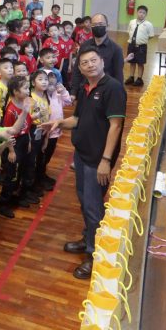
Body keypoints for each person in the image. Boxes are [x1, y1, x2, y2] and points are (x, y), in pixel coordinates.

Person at [52, 46, 127, 279]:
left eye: (93, 60)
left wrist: (106, 160)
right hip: (81, 155)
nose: (90, 65)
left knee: (94, 208)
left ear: (102, 62)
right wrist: (57, 124)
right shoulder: (85, 89)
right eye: (84, 63)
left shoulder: (113, 88)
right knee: (85, 202)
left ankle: (95, 255)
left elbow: (115, 126)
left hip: (98, 159)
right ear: (80, 69)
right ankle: (87, 240)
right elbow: (77, 119)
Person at [73, 12, 123, 88]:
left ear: (107, 26)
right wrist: (74, 91)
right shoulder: (84, 45)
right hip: (85, 88)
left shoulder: (116, 49)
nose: (98, 27)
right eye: (94, 25)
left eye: (100, 24)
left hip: (105, 90)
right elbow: (77, 70)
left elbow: (118, 75)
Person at [124, 5, 153, 87]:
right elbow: (129, 31)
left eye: (144, 13)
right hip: (131, 45)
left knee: (140, 63)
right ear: (137, 12)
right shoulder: (132, 22)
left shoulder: (148, 24)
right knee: (132, 62)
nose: (141, 14)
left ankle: (139, 79)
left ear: (146, 14)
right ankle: (131, 77)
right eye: (140, 12)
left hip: (141, 47)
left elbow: (151, 36)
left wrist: (142, 41)